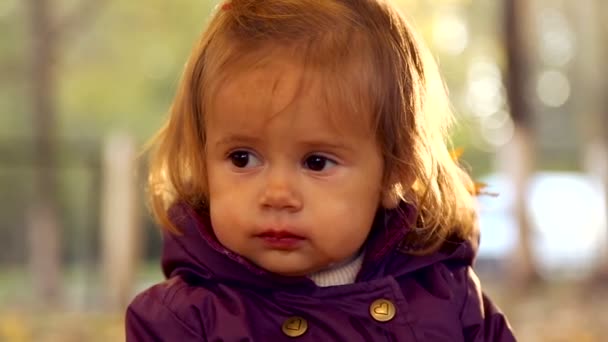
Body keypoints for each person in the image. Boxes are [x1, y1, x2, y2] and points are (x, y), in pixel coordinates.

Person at [126, 0, 516, 340]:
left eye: (316, 162)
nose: (277, 194)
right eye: (243, 158)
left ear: (394, 170)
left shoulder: (446, 298)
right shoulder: (181, 321)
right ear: (202, 160)